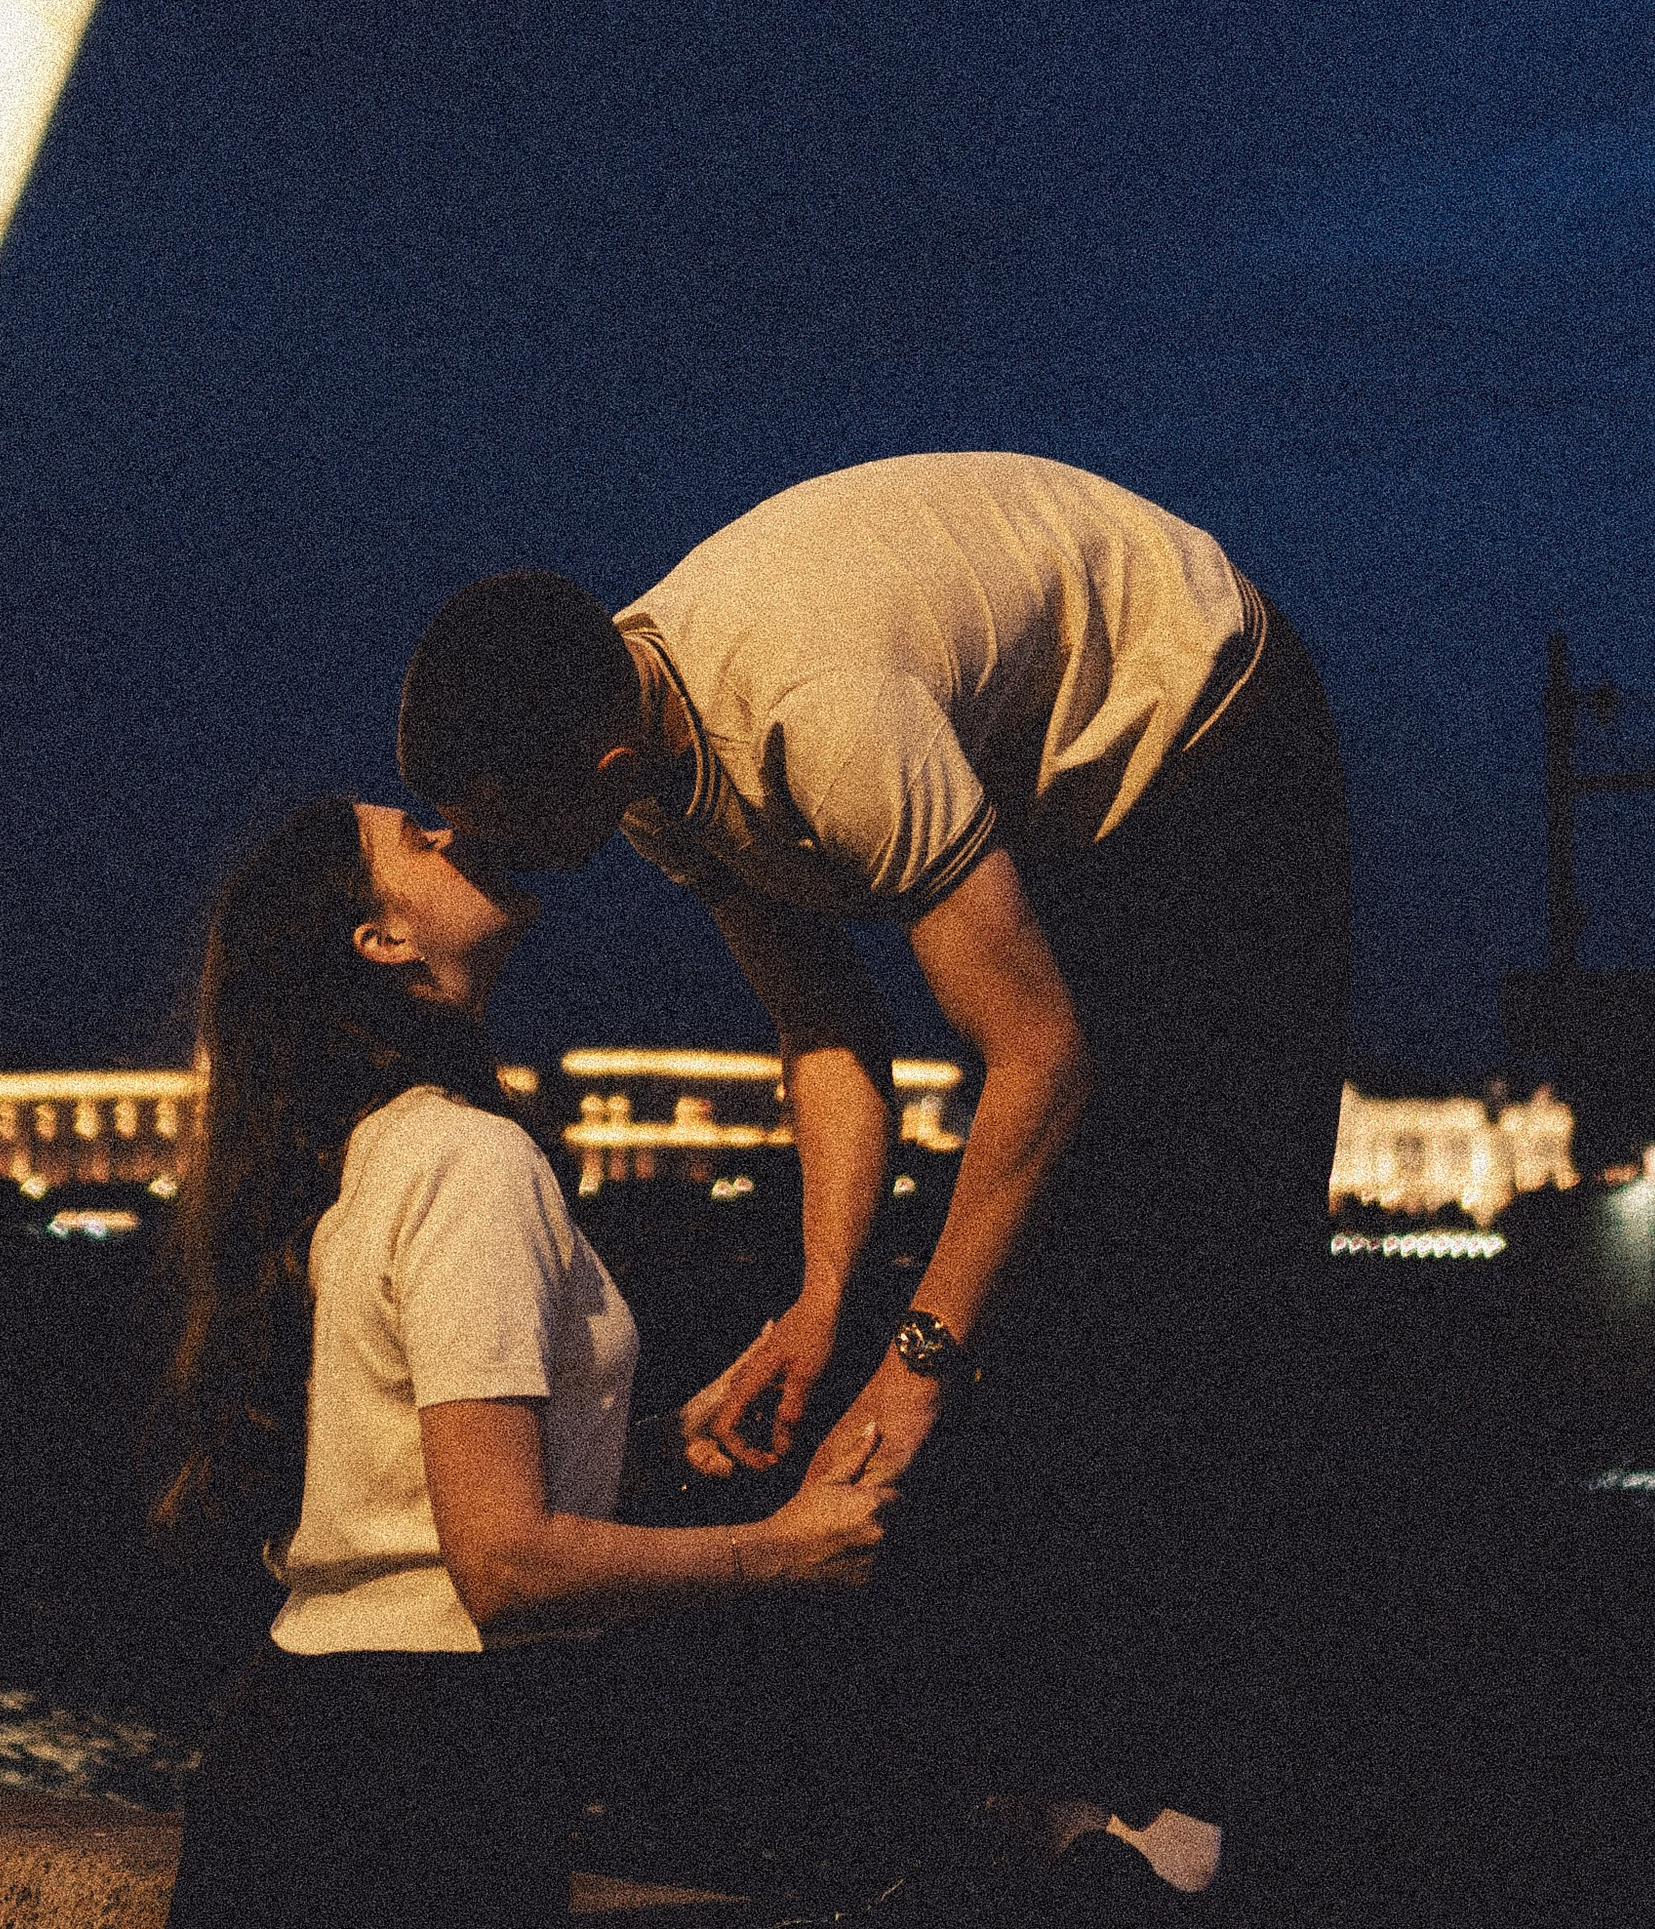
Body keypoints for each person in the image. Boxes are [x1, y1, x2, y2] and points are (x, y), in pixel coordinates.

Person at [396, 452, 1354, 1915]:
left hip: (1210, 720)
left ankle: (1199, 1811)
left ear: (589, 775)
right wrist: (824, 1303)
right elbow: (825, 1034)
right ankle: (1042, 1788)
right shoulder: (649, 768)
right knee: (1011, 1284)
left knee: (1184, 1265)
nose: (472, 855)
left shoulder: (819, 718)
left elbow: (1034, 1056)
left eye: (489, 824)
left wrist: (912, 1361)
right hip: (1060, 789)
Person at [157, 791, 897, 1929]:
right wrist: (781, 1550)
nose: (454, 826)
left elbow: (407, 1478)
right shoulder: (467, 1160)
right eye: (414, 834)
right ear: (380, 937)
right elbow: (500, 1564)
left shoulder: (383, 1151)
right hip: (414, 1775)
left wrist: (636, 1444)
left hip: (322, 1743)